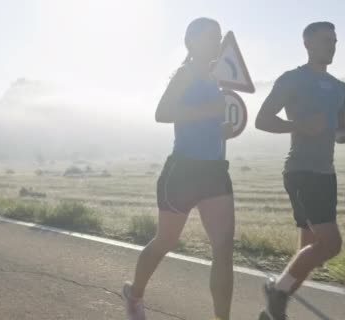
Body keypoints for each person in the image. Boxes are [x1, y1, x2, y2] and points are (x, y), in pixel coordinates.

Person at [121, 17, 236, 320]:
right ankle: (135, 294)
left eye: (219, 37)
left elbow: (204, 123)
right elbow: (163, 113)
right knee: (165, 241)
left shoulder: (214, 80)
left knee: (224, 251)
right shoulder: (185, 74)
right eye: (211, 36)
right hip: (183, 171)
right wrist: (207, 112)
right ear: (191, 42)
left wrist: (219, 129)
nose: (217, 42)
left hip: (214, 172)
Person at [255, 21, 345, 320]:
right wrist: (299, 125)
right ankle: (275, 293)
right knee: (330, 244)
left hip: (325, 173)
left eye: (334, 41)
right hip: (301, 171)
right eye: (325, 40)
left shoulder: (339, 88)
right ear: (307, 44)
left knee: (307, 251)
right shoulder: (292, 80)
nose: (332, 46)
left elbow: (338, 134)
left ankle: (272, 310)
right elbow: (262, 119)